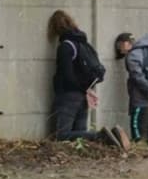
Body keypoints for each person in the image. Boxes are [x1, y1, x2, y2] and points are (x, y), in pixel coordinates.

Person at [49, 10, 130, 150]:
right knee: (79, 138)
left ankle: (100, 136)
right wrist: (85, 90)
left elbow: (67, 75)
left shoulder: (66, 46)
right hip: (83, 95)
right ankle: (109, 137)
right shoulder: (83, 44)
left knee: (60, 135)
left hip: (68, 96)